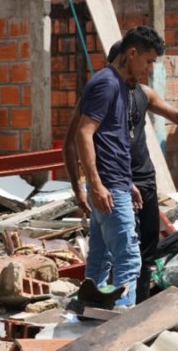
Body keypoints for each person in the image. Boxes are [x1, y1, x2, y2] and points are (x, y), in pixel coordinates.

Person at [103, 40, 178, 303]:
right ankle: (115, 305)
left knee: (146, 248)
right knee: (120, 249)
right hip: (118, 182)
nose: (142, 72)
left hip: (145, 179)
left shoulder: (143, 94)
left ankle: (138, 304)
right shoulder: (103, 97)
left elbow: (176, 116)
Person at [64, 26, 165, 308]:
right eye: (147, 61)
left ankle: (87, 318)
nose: (148, 69)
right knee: (128, 260)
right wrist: (95, 184)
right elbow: (84, 133)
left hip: (114, 185)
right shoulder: (107, 83)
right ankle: (122, 327)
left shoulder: (118, 86)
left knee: (99, 260)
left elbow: (109, 142)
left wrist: (127, 182)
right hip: (108, 188)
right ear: (132, 53)